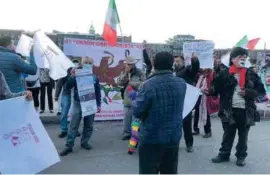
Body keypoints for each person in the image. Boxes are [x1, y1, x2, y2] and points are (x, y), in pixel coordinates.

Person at [210, 47, 266, 167]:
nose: (242, 58)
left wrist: (249, 93)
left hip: (245, 111)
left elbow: (261, 92)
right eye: (239, 56)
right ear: (232, 59)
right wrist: (208, 89)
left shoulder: (251, 74)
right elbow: (214, 90)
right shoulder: (224, 73)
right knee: (228, 134)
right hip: (228, 110)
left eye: (244, 57)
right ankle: (224, 154)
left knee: (243, 136)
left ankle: (241, 156)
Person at [133, 52, 187, 174]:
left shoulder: (148, 85)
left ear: (154, 65)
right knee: (170, 171)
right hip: (173, 137)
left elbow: (137, 111)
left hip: (151, 138)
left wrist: (134, 100)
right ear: (172, 64)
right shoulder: (181, 84)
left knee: (148, 170)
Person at [59, 57, 101, 156]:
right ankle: (69, 145)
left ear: (92, 64)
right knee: (74, 125)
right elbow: (67, 87)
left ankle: (84, 142)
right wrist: (72, 76)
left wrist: (98, 104)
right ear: (82, 63)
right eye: (86, 62)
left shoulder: (94, 77)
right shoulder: (77, 74)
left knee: (89, 125)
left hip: (91, 102)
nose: (88, 64)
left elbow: (98, 92)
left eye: (90, 63)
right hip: (78, 102)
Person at [173, 54, 200, 152]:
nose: (176, 63)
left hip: (186, 102)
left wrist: (195, 61)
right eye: (175, 61)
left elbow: (195, 69)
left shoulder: (187, 69)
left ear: (183, 62)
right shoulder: (174, 72)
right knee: (176, 125)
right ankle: (175, 143)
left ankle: (189, 144)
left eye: (178, 61)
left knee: (186, 124)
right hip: (176, 101)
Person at [117, 56, 145, 140]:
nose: (128, 66)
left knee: (135, 118)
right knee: (127, 117)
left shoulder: (140, 72)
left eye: (130, 64)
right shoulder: (124, 71)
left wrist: (131, 83)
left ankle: (135, 134)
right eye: (127, 64)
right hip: (127, 98)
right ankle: (126, 133)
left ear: (133, 64)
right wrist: (125, 74)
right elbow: (119, 83)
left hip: (137, 98)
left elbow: (143, 84)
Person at [193, 68, 220, 138]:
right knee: (197, 112)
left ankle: (208, 131)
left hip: (206, 96)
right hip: (198, 95)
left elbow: (213, 85)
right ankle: (196, 129)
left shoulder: (211, 74)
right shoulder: (200, 75)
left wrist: (207, 90)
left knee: (206, 113)